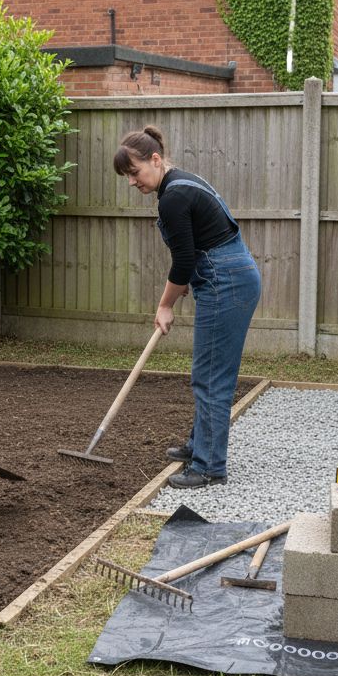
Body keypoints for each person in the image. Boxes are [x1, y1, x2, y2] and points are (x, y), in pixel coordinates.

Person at [113, 126, 261, 489]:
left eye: (134, 172)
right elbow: (198, 248)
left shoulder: (172, 198)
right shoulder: (181, 182)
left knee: (211, 375)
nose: (132, 182)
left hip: (224, 281)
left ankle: (210, 467)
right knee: (209, 370)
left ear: (156, 160)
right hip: (229, 273)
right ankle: (199, 447)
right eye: (127, 176)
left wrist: (165, 305)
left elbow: (183, 260)